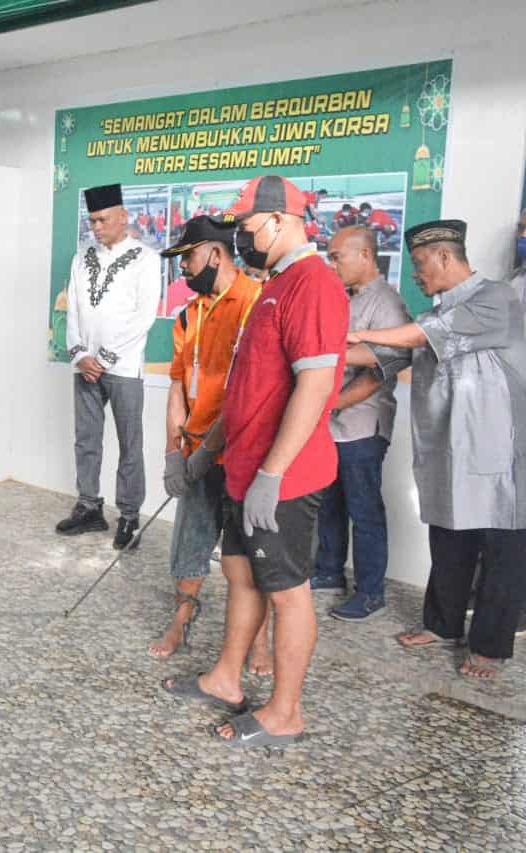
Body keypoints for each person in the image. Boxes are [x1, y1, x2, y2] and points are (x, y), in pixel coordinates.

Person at [163, 175, 347, 748]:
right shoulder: (275, 283)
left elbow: (314, 387)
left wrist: (272, 474)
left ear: (278, 221)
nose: (240, 236)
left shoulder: (312, 284)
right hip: (243, 468)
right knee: (241, 573)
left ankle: (285, 712)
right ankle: (225, 678)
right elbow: (249, 389)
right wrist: (208, 452)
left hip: (283, 478)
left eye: (245, 226)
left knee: (288, 591)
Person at [349, 220, 526, 681]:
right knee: (449, 539)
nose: (417, 275)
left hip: (497, 455)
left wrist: (355, 336)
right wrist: (322, 351)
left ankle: (489, 646)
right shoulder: (432, 315)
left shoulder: (496, 298)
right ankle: (442, 625)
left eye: (421, 264)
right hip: (448, 452)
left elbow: (414, 337)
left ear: (445, 258)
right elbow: (383, 358)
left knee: (502, 550)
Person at [153, 217, 269, 666]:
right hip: (195, 451)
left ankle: (259, 641)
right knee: (189, 542)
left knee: (250, 553)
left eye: (188, 257)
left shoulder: (256, 303)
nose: (182, 269)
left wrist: (210, 451)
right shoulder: (188, 315)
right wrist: (171, 453)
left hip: (243, 453)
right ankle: (180, 622)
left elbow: (249, 389)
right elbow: (179, 386)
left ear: (216, 255)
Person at [313, 227, 412, 621]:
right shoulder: (345, 298)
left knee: (364, 509)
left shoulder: (386, 302)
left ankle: (371, 592)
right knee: (329, 505)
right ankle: (328, 572)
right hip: (334, 424)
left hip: (362, 426)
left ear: (366, 255)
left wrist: (329, 402)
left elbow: (381, 368)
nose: (331, 264)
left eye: (337, 257)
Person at [57, 184, 162, 548]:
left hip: (123, 368)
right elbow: (73, 309)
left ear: (123, 217)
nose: (96, 228)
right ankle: (89, 507)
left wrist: (105, 358)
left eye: (102, 220)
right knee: (86, 440)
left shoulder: (146, 258)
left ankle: (129, 515)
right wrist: (79, 355)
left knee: (129, 444)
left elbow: (144, 316)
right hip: (85, 365)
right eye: (92, 221)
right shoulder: (81, 256)